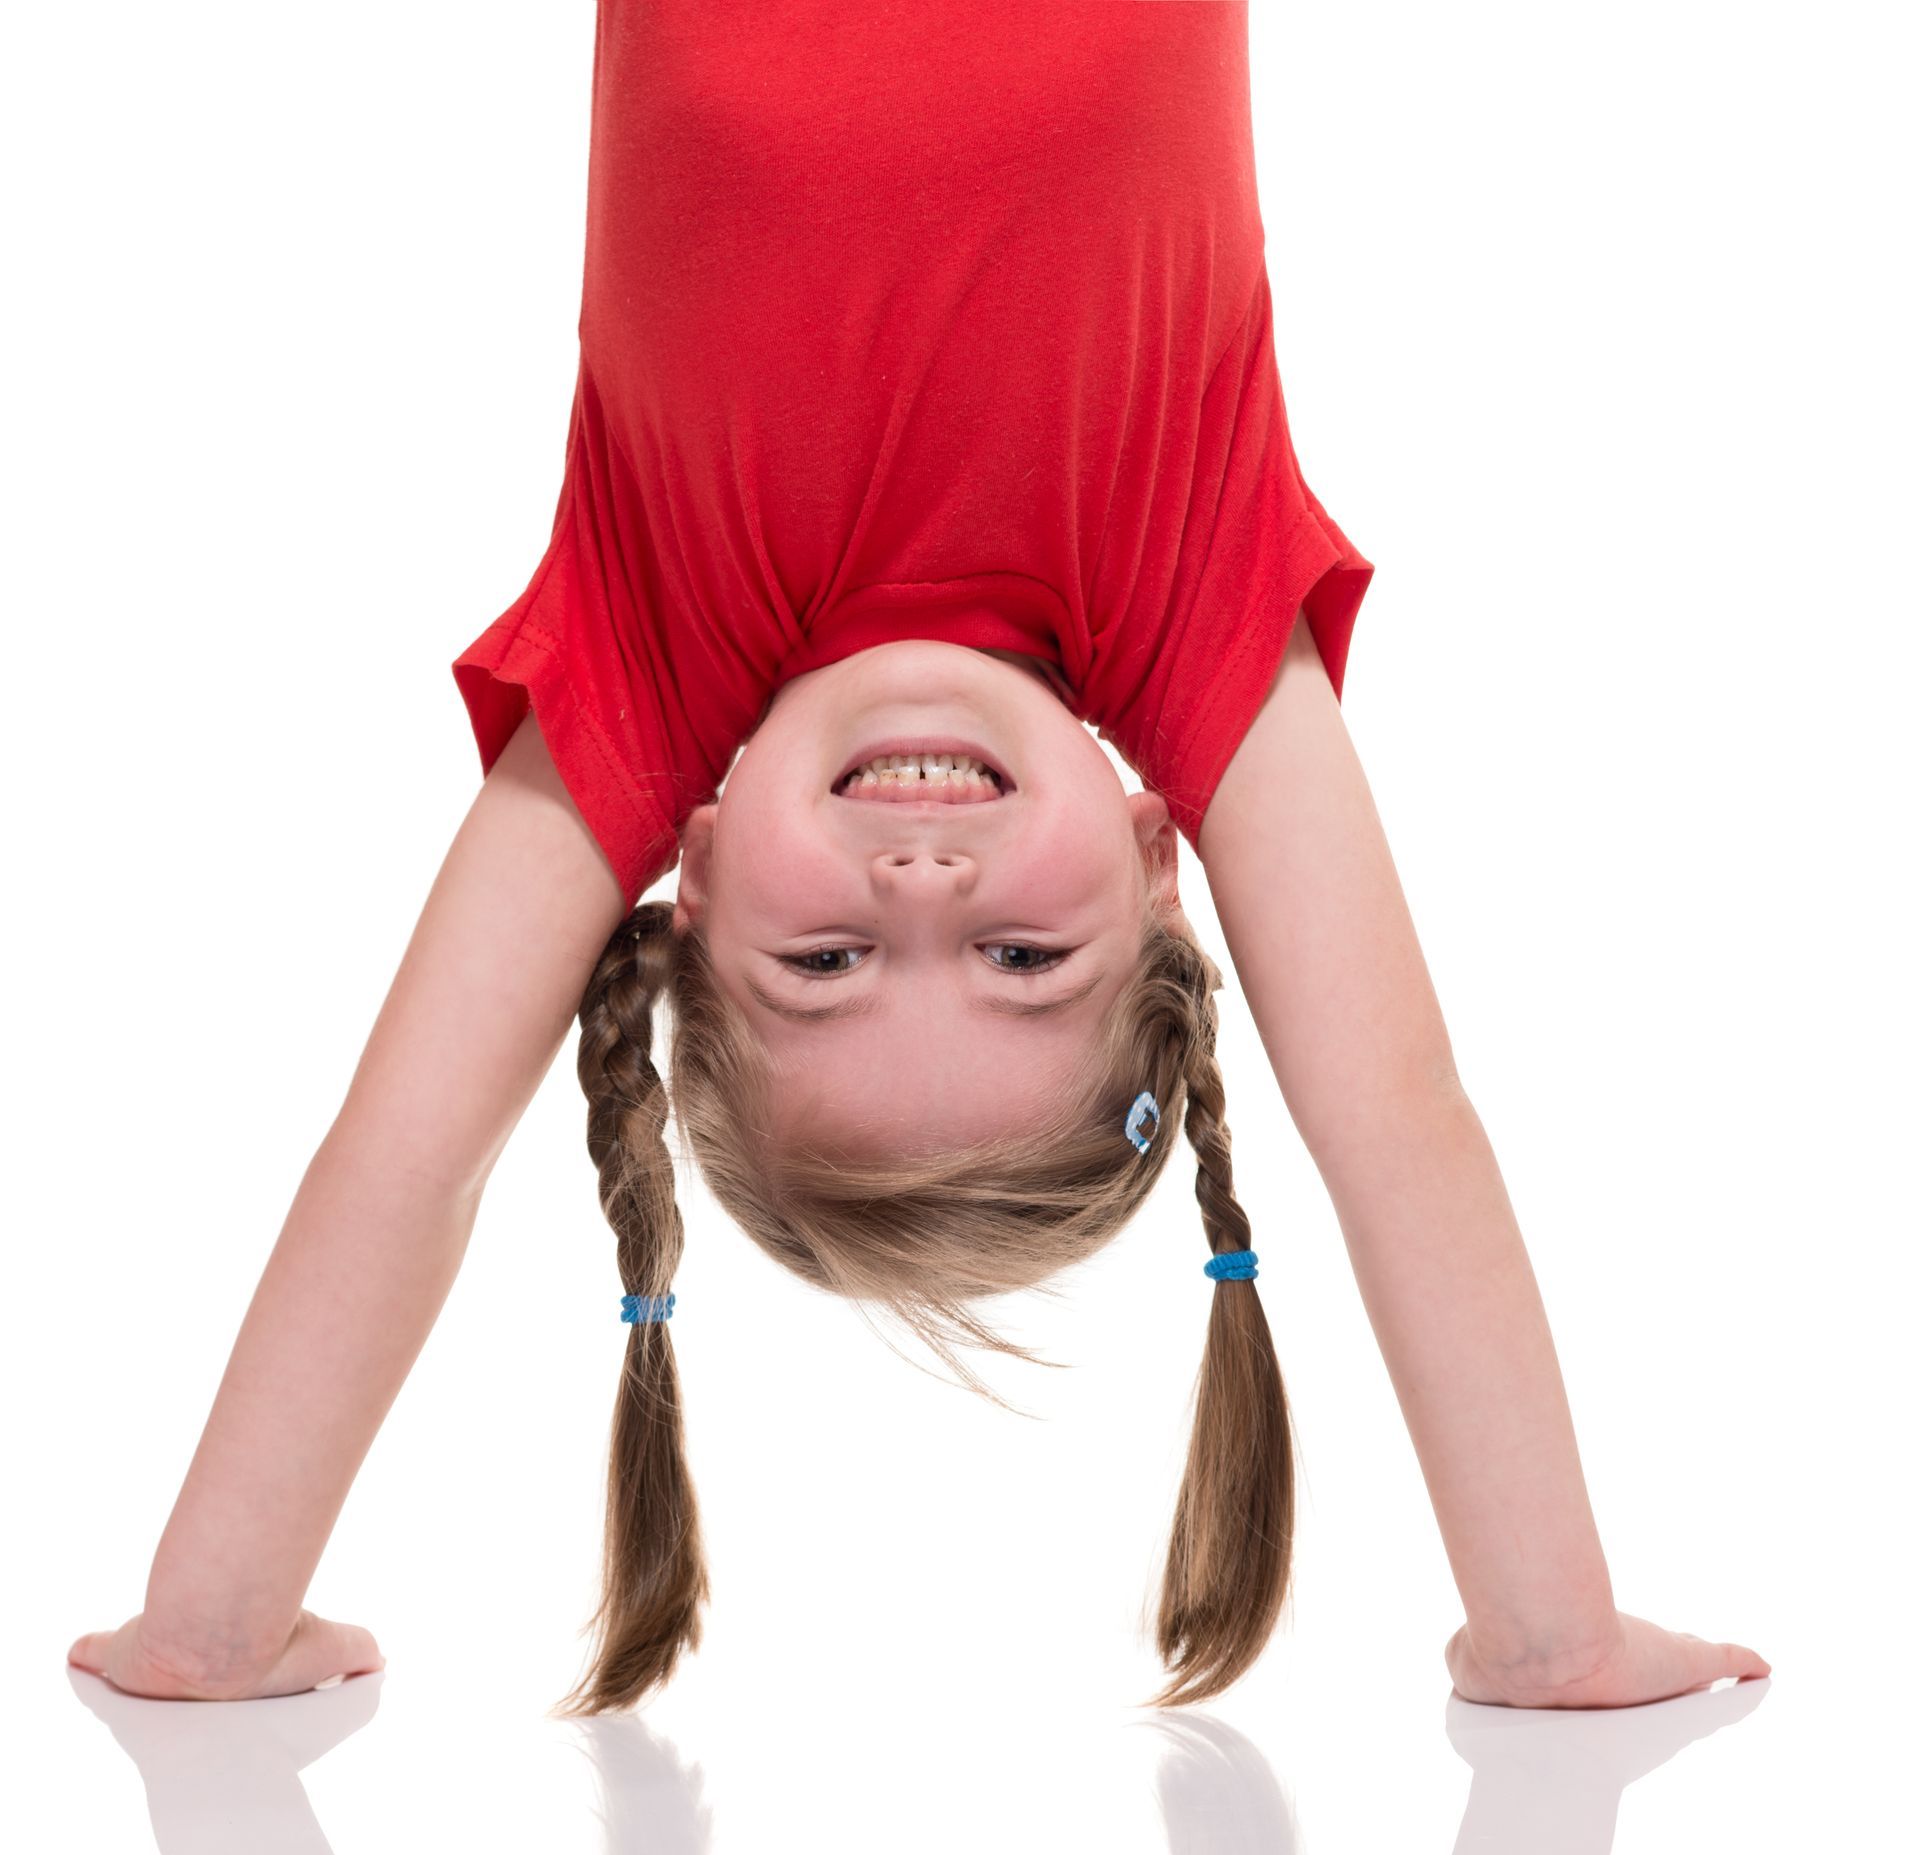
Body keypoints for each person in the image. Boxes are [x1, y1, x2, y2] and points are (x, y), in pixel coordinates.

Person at [69, 1, 1768, 1714]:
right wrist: (1547, 1628)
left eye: (826, 966)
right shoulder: (1192, 602)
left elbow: (409, 1150)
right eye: (1025, 961)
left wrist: (216, 1620)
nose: (922, 893)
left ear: (696, 888)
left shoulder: (651, 656)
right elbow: (1396, 1116)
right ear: (1159, 872)